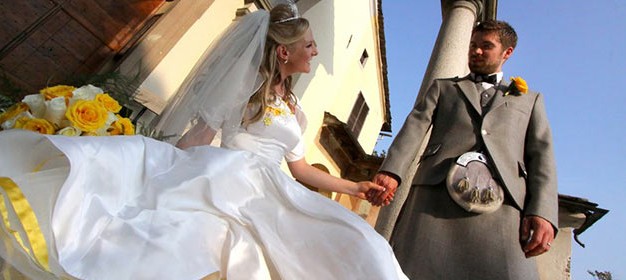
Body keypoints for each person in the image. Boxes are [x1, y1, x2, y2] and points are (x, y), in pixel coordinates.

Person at [0, 4, 408, 280]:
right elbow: (202, 134)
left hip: (275, 185)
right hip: (232, 174)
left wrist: (356, 187)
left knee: (359, 243)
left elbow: (300, 169)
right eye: (309, 45)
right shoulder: (247, 90)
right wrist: (161, 167)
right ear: (284, 53)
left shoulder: (296, 108)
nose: (316, 51)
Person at [368, 20, 558, 280]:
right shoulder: (444, 87)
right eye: (472, 45)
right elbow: (413, 129)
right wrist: (392, 172)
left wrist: (543, 212)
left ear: (507, 52)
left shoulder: (530, 99)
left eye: (486, 46)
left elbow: (542, 156)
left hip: (503, 207)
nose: (476, 51)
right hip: (434, 195)